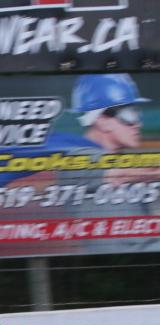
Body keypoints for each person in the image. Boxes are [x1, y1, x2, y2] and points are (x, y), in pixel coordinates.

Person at [60, 73, 160, 251]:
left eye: (137, 114)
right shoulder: (75, 157)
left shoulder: (128, 164)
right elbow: (122, 174)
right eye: (129, 115)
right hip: (119, 258)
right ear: (102, 121)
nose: (138, 124)